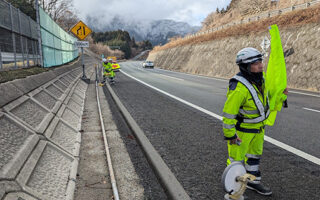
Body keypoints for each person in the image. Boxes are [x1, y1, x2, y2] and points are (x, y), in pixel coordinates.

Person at [222, 47, 288, 196]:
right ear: (246, 66)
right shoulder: (238, 87)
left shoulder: (261, 79)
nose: (261, 65)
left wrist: (282, 96)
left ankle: (252, 182)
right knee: (236, 161)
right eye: (256, 63)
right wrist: (231, 135)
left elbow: (268, 102)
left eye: (261, 61)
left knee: (254, 157)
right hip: (242, 132)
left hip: (258, 129)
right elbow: (228, 114)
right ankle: (233, 189)